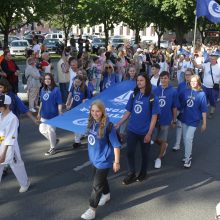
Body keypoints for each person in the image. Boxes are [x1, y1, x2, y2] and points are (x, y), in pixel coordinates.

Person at [115, 73, 160, 185]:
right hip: (132, 130)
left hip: (145, 131)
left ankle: (143, 173)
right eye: (138, 80)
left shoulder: (152, 97)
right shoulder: (134, 95)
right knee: (130, 153)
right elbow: (128, 112)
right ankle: (131, 173)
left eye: (141, 80)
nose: (139, 82)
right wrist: (119, 123)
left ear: (146, 82)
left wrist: (149, 133)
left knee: (145, 154)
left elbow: (154, 118)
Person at [81, 100, 121, 220]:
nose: (95, 113)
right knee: (100, 180)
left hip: (103, 161)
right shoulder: (92, 122)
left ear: (103, 112)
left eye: (97, 111)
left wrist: (116, 162)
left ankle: (92, 209)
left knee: (96, 186)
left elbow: (116, 145)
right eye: (92, 111)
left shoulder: (109, 126)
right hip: (94, 159)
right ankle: (107, 194)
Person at [0, 94, 30, 193]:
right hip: (0, 144)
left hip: (10, 146)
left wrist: (3, 153)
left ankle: (25, 183)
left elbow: (10, 137)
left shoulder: (13, 118)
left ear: (7, 105)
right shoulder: (0, 115)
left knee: (16, 165)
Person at [178, 75, 207, 168]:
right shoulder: (186, 91)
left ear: (198, 82)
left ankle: (187, 158)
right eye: (191, 81)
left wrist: (204, 123)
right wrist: (174, 117)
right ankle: (187, 154)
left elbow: (203, 109)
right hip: (184, 118)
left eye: (195, 81)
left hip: (194, 120)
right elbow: (181, 105)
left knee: (188, 138)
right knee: (185, 139)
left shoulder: (201, 94)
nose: (193, 83)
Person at [153, 71, 178, 169]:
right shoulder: (155, 90)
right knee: (153, 138)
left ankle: (159, 158)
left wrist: (174, 120)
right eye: (162, 78)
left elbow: (174, 107)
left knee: (163, 139)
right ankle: (164, 145)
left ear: (168, 79)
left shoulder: (173, 91)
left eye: (165, 78)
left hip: (166, 119)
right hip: (155, 119)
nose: (163, 80)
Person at [37, 74, 63, 156]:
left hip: (53, 115)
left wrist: (60, 111)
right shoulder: (43, 89)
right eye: (45, 79)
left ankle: (52, 148)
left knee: (50, 130)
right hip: (44, 114)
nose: (47, 80)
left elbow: (59, 102)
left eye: (49, 79)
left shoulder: (56, 90)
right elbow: (41, 102)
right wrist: (38, 112)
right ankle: (54, 140)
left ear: (52, 80)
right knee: (42, 130)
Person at [193, 51, 220, 119]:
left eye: (214, 59)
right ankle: (202, 113)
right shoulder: (206, 64)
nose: (212, 60)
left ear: (217, 59)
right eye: (211, 59)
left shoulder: (219, 67)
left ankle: (211, 112)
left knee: (213, 101)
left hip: (214, 88)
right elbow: (197, 66)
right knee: (203, 100)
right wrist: (193, 60)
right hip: (204, 86)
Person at [172, 68, 194, 151]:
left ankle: (187, 147)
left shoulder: (195, 85)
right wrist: (177, 107)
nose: (187, 76)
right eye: (186, 75)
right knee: (179, 126)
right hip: (180, 109)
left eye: (189, 75)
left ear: (192, 75)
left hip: (190, 111)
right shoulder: (181, 85)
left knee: (187, 131)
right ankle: (177, 144)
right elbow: (177, 96)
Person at [66, 75, 90, 148]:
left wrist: (85, 100)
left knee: (83, 124)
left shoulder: (85, 88)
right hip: (74, 108)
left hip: (82, 109)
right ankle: (77, 141)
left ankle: (86, 135)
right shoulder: (73, 86)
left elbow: (89, 97)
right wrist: (68, 102)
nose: (76, 83)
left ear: (81, 82)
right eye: (75, 81)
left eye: (78, 82)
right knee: (75, 124)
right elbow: (70, 94)